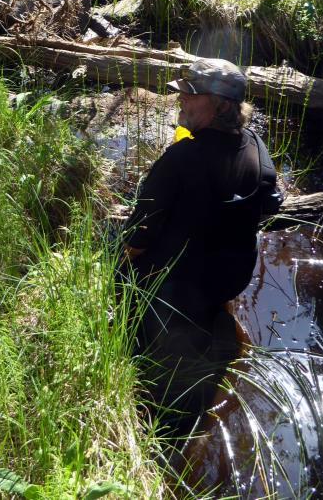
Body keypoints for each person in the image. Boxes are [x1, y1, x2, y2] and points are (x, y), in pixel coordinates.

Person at [121, 57, 281, 432]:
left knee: (119, 263)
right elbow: (269, 205)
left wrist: (119, 269)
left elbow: (137, 237)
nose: (181, 101)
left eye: (192, 95)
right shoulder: (258, 149)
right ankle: (216, 325)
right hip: (231, 278)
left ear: (222, 105)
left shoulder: (180, 159)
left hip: (178, 291)